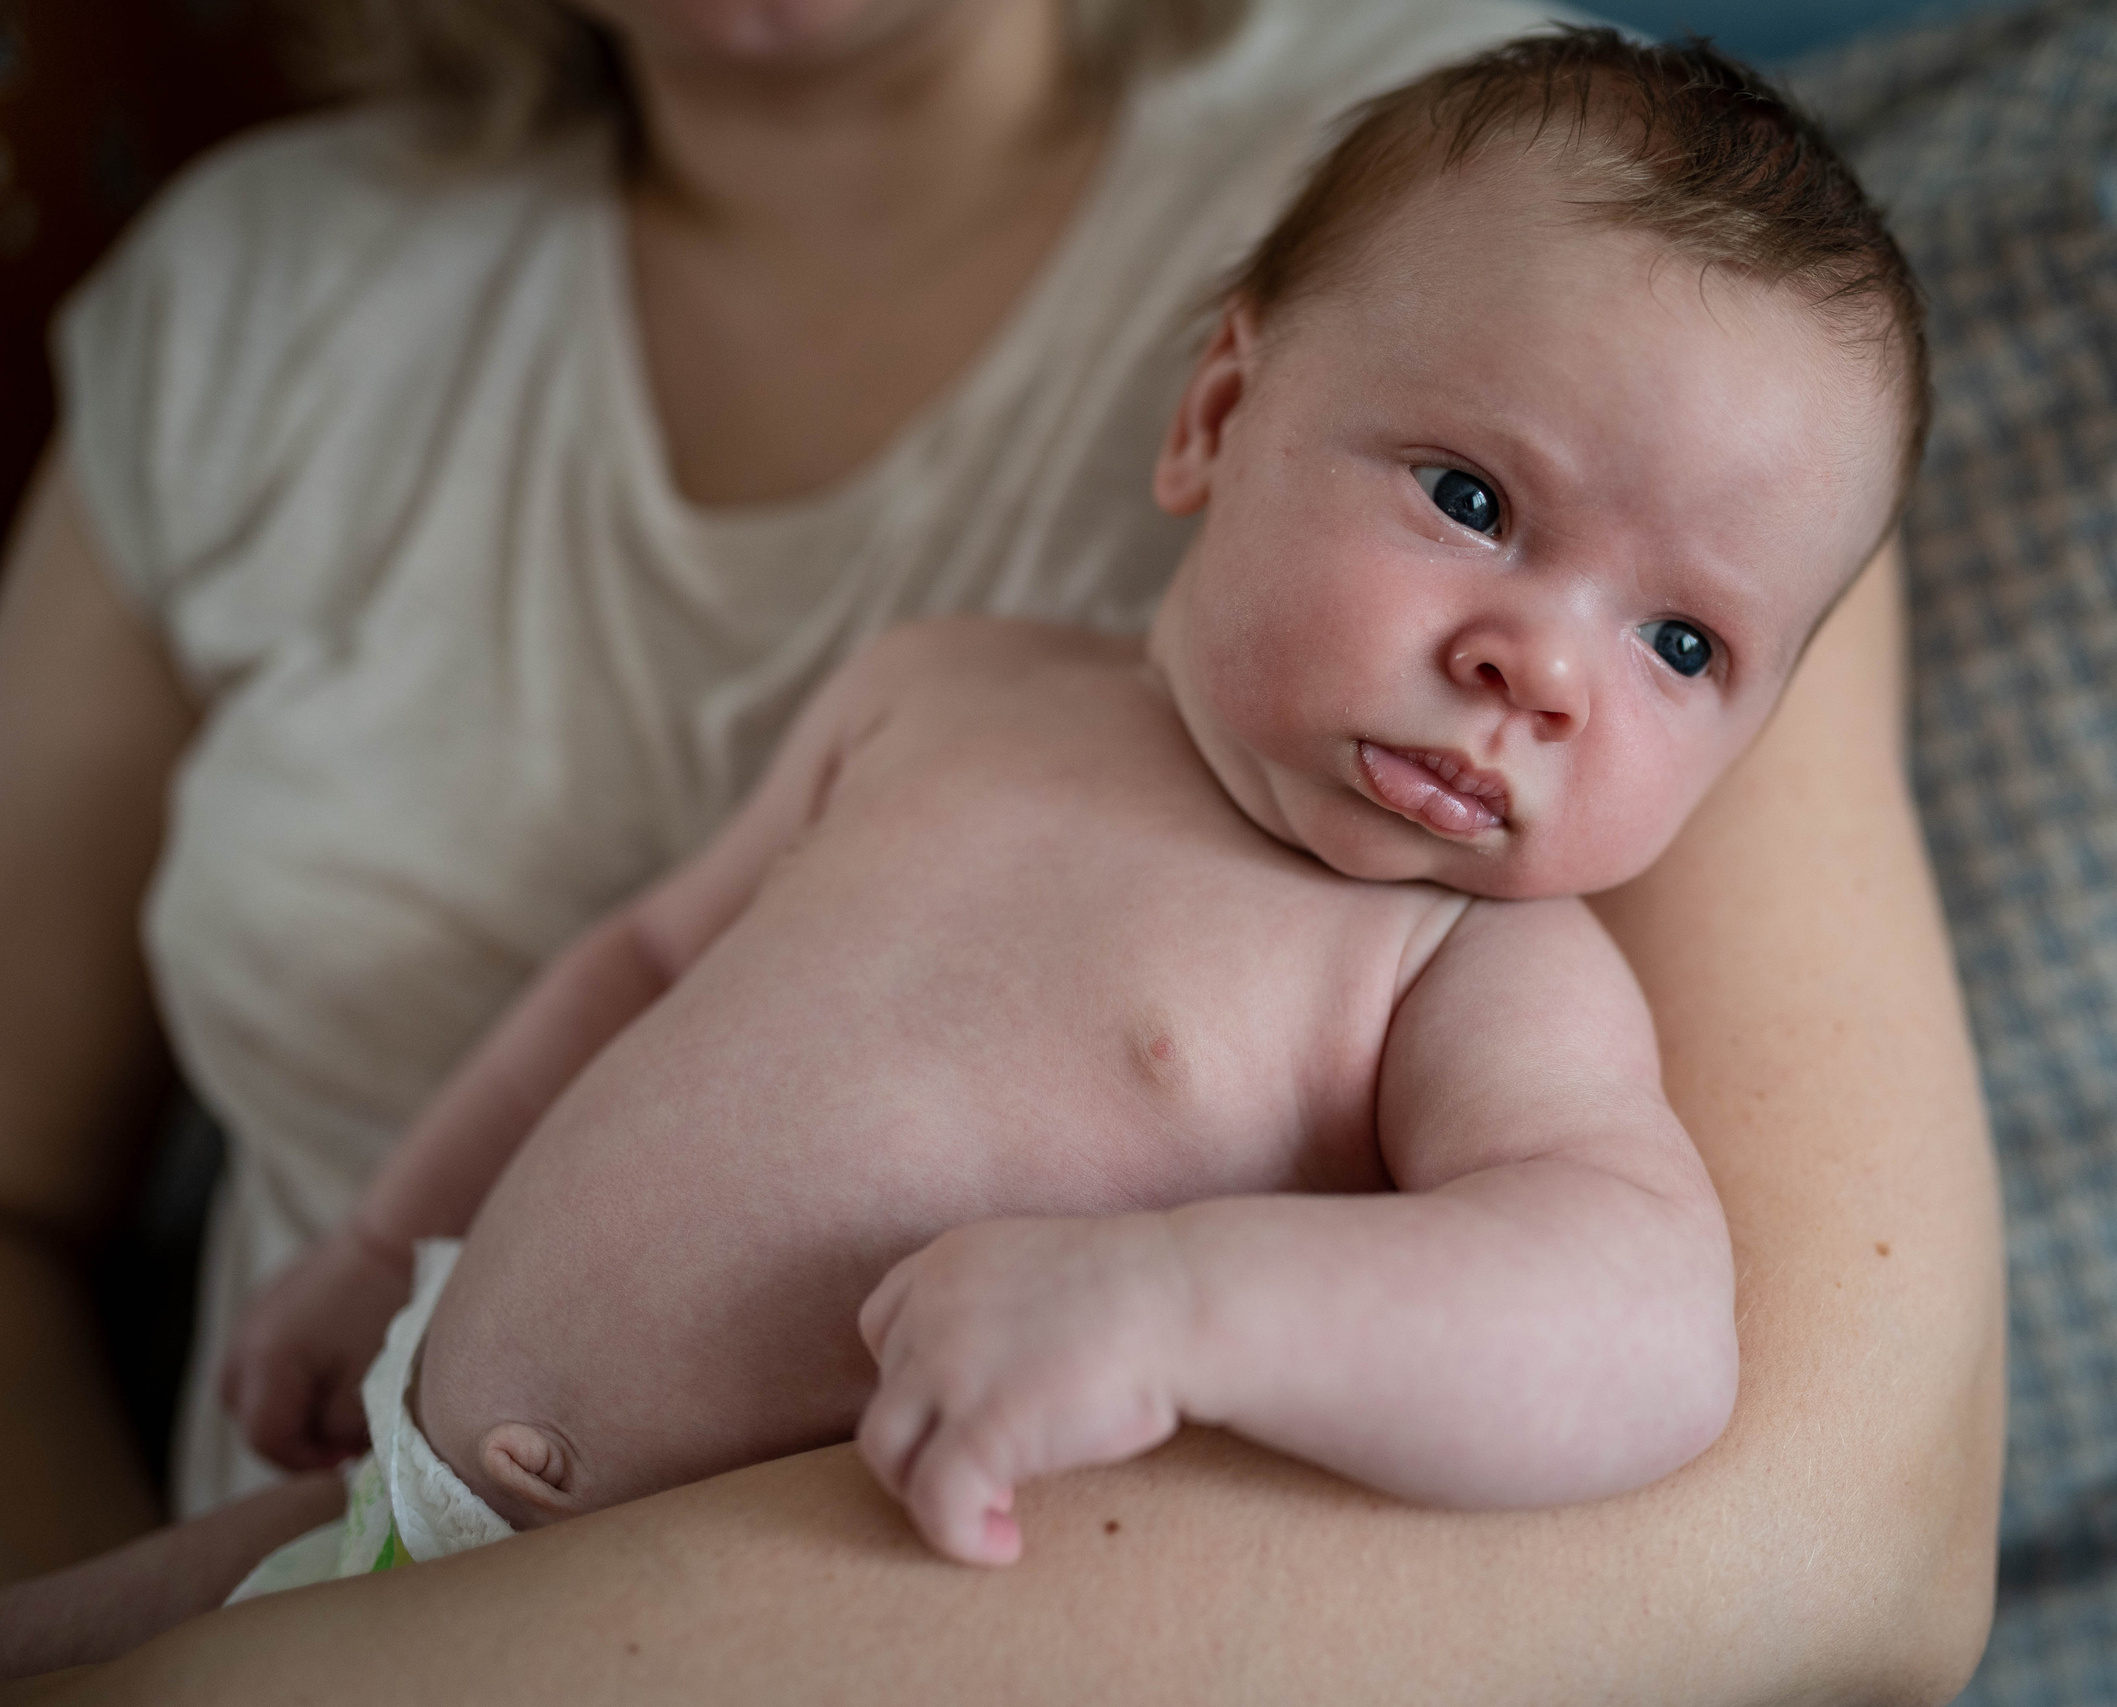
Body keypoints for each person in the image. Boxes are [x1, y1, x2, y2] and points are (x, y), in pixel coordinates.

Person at [0, 0, 2001, 1695]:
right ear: (1215, 412)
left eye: (1681, 646)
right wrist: (372, 1246)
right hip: (363, 1490)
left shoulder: (1463, 968)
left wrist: (1185, 1307)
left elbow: (1650, 1332)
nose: (1540, 664)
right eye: (1470, 499)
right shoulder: (950, 690)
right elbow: (631, 968)